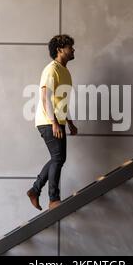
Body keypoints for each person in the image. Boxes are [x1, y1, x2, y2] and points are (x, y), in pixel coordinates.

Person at [27, 35, 78, 211]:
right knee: (58, 158)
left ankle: (34, 190)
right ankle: (53, 200)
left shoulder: (65, 72)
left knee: (59, 158)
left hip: (57, 121)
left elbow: (61, 101)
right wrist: (54, 123)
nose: (73, 50)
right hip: (48, 121)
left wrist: (69, 122)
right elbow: (45, 98)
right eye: (70, 47)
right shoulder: (51, 70)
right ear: (60, 49)